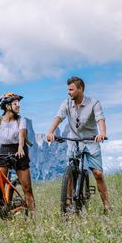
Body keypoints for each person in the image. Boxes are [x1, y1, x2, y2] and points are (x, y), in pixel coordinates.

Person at [47, 76, 110, 213]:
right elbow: (59, 117)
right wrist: (51, 131)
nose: (68, 92)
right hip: (73, 141)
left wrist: (102, 133)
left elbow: (100, 118)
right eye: (68, 90)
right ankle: (68, 204)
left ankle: (107, 205)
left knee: (98, 174)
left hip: (91, 140)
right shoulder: (67, 103)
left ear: (80, 89)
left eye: (71, 89)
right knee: (69, 172)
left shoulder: (94, 103)